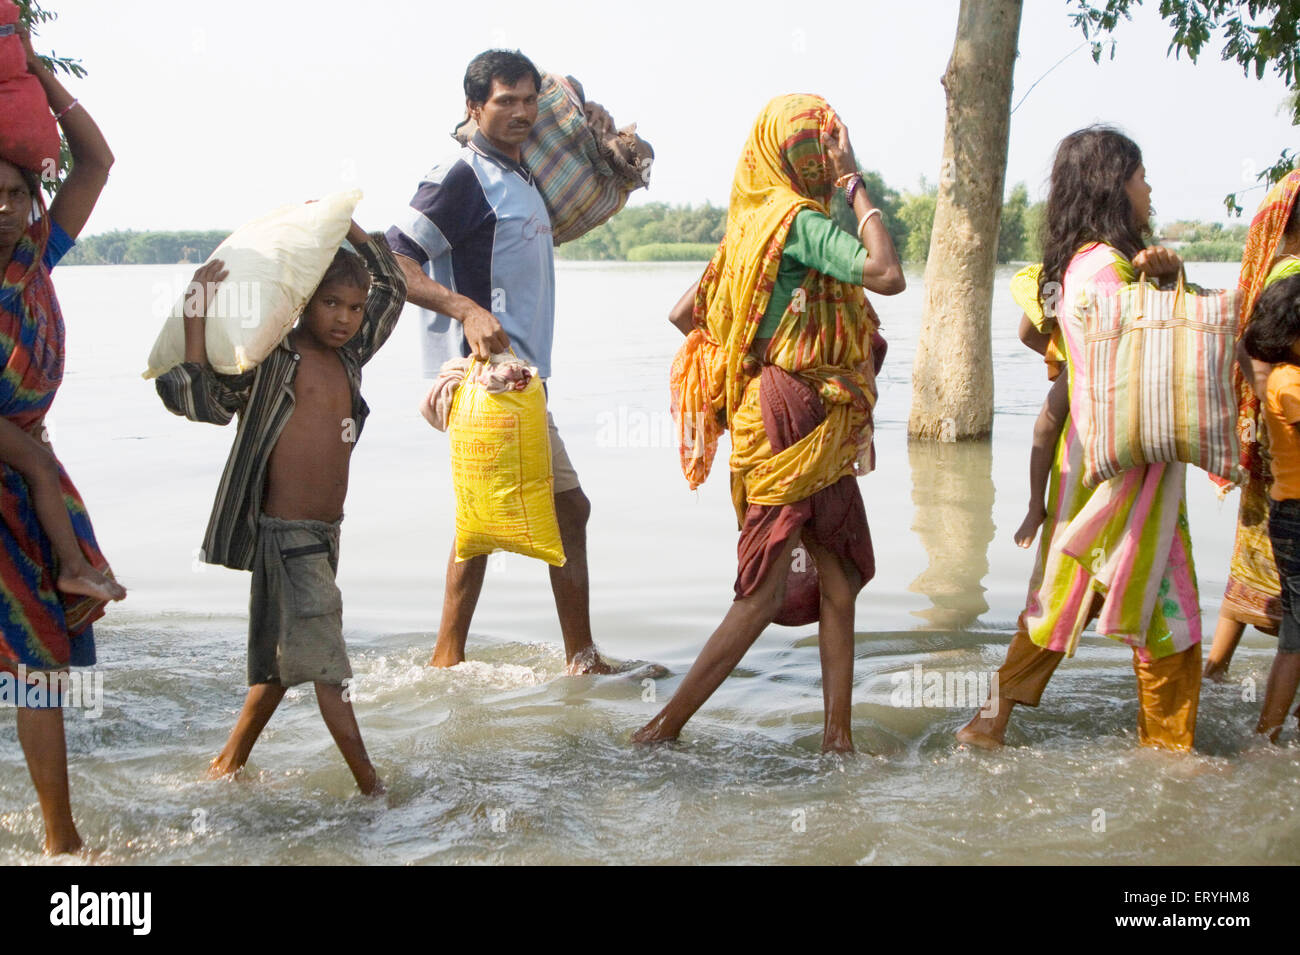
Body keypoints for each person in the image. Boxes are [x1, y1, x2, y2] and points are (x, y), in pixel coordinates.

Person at [632, 94, 904, 752]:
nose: (829, 158)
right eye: (827, 148)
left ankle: (837, 739)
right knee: (763, 588)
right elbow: (888, 274)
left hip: (768, 407)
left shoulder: (749, 229)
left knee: (838, 578)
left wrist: (750, 351)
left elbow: (682, 314)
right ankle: (660, 729)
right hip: (800, 413)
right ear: (808, 157)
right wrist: (855, 184)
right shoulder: (801, 225)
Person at [957, 125, 1203, 752]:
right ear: (1115, 187)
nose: (1150, 190)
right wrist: (1172, 284)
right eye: (1141, 178)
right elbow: (1157, 359)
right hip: (1124, 470)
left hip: (1084, 460)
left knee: (1060, 597)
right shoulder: (1112, 272)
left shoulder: (1077, 267)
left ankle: (987, 722)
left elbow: (1074, 356)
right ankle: (1170, 756)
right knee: (1168, 606)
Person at [155, 219, 406, 796]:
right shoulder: (273, 359)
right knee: (328, 667)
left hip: (326, 533)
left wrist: (351, 227)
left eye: (353, 307)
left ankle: (227, 764)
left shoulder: (351, 356)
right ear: (302, 302)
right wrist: (197, 313)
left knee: (281, 659)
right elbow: (206, 400)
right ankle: (373, 788)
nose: (344, 318)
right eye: (331, 303)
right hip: (285, 535)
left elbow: (392, 285)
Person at [387, 49, 609, 674]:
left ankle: (449, 661)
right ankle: (575, 659)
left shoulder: (526, 175)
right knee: (552, 511)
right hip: (482, 379)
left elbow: (575, 102)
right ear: (473, 107)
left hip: (517, 381)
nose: (518, 111)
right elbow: (393, 256)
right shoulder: (461, 175)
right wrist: (464, 309)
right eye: (503, 100)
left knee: (486, 518)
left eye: (528, 100)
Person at [0, 27, 121, 854]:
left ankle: (58, 838)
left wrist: (40, 76)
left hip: (27, 475)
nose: (2, 207)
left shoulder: (38, 256)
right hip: (18, 464)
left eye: (13, 192)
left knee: (40, 664)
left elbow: (98, 163)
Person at [1203, 171, 1300, 682]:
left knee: (1254, 551)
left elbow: (1244, 344)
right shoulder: (1294, 274)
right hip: (1287, 433)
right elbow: (1252, 346)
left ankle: (1215, 673)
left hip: (1270, 436)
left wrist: (1263, 397)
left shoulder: (1274, 270)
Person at [1239, 275, 1300, 738]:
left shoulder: (1279, 379)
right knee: (1296, 636)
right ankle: (1267, 735)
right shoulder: (1290, 383)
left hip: (1289, 513)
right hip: (1296, 516)